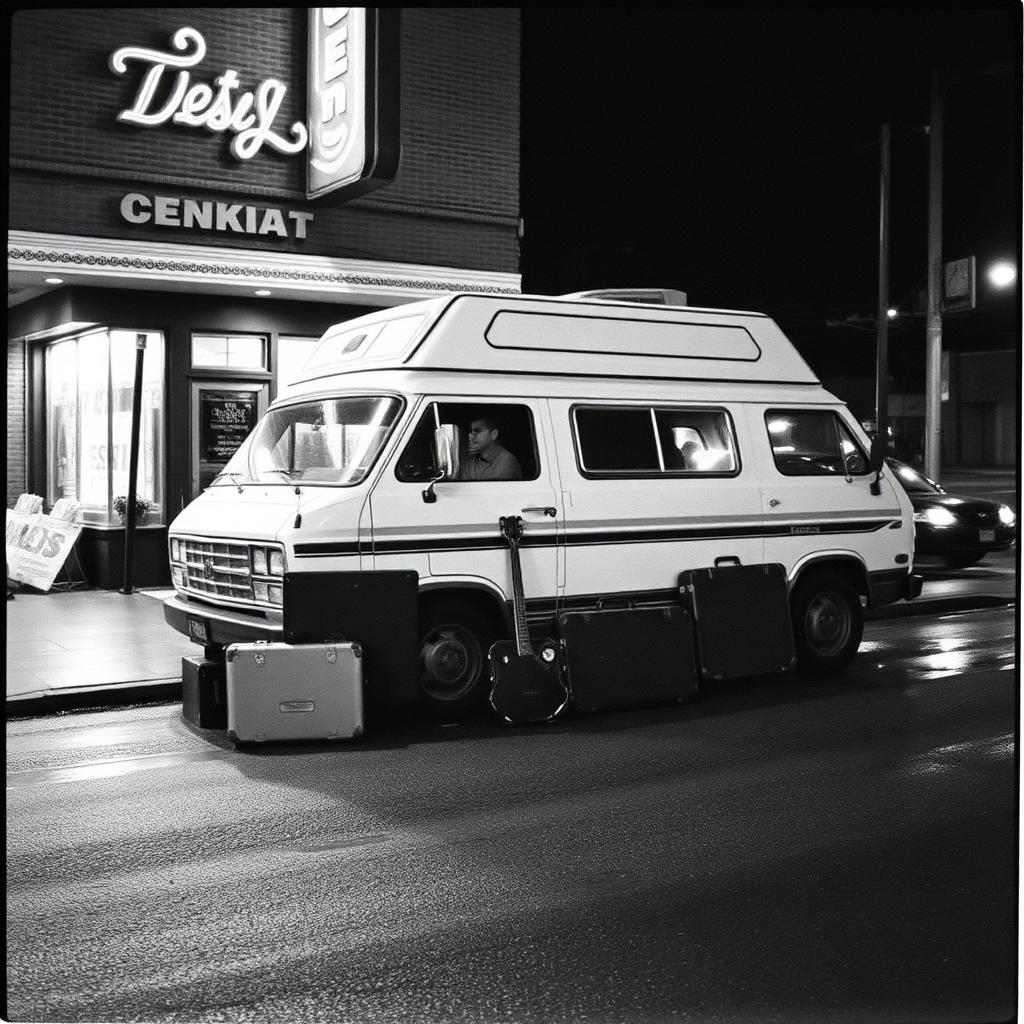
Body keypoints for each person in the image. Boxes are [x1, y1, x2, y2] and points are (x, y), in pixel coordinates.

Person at [457, 415, 522, 480]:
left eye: (477, 431)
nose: (470, 436)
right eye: (470, 431)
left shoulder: (507, 461)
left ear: (493, 434)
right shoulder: (469, 461)